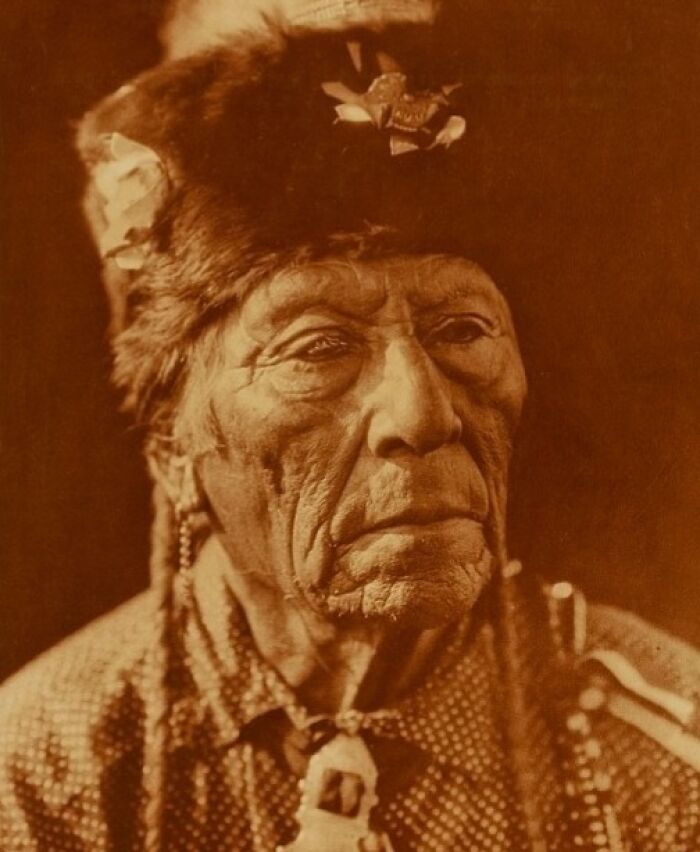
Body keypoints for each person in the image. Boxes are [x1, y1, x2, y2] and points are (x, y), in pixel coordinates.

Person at [1, 3, 699, 851]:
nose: (422, 414)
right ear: (173, 451)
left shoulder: (667, 750)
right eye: (319, 347)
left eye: (461, 332)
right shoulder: (39, 783)